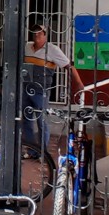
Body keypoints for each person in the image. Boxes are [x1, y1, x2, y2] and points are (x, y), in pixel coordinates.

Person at [21, 24, 84, 158]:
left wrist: (78, 83)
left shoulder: (52, 49)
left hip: (41, 90)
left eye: (40, 33)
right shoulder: (27, 47)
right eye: (35, 33)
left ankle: (42, 153)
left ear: (45, 35)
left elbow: (69, 66)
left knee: (41, 121)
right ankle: (32, 150)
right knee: (26, 119)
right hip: (26, 88)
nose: (37, 35)